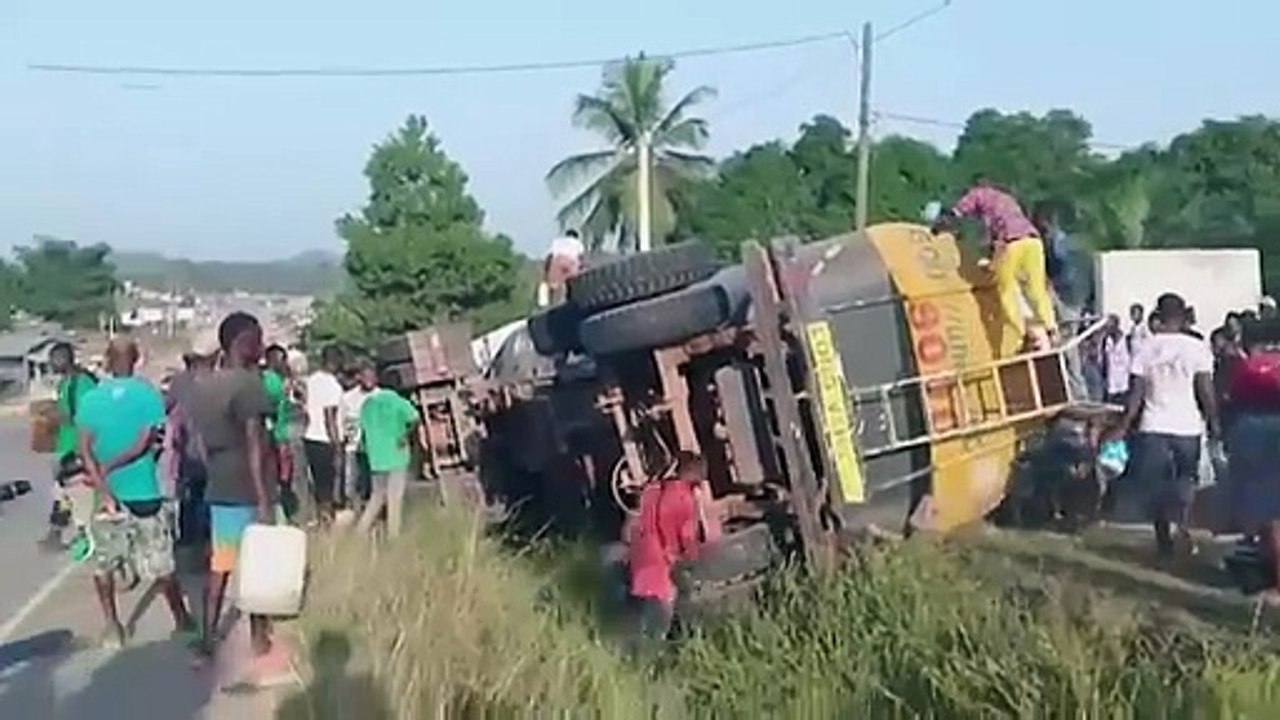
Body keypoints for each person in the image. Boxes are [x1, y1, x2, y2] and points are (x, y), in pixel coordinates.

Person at [187, 312, 289, 684]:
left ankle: (205, 642)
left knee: (220, 570)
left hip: (219, 487)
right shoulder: (249, 387)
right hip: (248, 487)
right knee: (258, 571)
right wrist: (263, 499)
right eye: (257, 339)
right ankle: (260, 641)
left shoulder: (205, 386)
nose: (261, 347)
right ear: (241, 341)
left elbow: (197, 445)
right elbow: (256, 446)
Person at [77, 337, 195, 649]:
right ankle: (181, 619)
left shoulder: (91, 398)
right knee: (160, 561)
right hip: (143, 491)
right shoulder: (147, 395)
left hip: (106, 497)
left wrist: (102, 484)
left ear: (106, 361)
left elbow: (84, 447)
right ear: (136, 359)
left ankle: (112, 627)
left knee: (104, 563)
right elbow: (146, 442)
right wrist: (114, 465)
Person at [1109, 293, 1220, 558]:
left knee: (1156, 484)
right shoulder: (1196, 347)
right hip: (1187, 426)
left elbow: (1136, 393)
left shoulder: (1145, 347)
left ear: (1158, 316)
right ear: (1183, 317)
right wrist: (1214, 421)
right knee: (1186, 479)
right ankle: (1181, 522)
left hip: (1153, 425)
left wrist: (1123, 425)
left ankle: (1163, 538)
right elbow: (1205, 389)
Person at [933, 179, 1057, 351]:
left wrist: (940, 225)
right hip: (1033, 242)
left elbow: (958, 213)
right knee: (1037, 288)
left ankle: (1020, 333)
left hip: (1011, 243)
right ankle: (1051, 326)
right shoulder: (1008, 200)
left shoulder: (978, 194)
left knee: (1006, 290)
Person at [624, 452, 712, 647]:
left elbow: (634, 525)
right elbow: (685, 536)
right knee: (659, 624)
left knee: (644, 620)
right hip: (660, 567)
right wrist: (689, 557)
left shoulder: (651, 490)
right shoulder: (683, 498)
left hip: (641, 562)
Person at [1225, 318, 1280, 602]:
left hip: (1254, 431)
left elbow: (1233, 401)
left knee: (1270, 514)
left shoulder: (1248, 367)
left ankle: (1275, 582)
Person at [40, 342, 99, 551]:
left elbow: (86, 416)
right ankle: (56, 533)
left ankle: (86, 538)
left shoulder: (80, 384)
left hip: (76, 448)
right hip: (64, 446)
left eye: (54, 359)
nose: (51, 363)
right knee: (61, 493)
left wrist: (58, 417)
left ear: (65, 358)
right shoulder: (66, 383)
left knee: (77, 496)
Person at [355, 370, 423, 538]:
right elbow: (415, 419)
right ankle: (394, 537)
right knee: (394, 498)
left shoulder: (367, 404)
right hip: (396, 455)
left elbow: (363, 430)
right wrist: (405, 436)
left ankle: (360, 531)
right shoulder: (398, 402)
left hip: (376, 457)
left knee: (376, 497)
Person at [303, 346, 345, 525]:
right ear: (335, 362)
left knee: (319, 484)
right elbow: (330, 418)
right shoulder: (332, 385)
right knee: (329, 484)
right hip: (325, 439)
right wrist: (337, 447)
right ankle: (328, 520)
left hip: (310, 436)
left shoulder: (311, 381)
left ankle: (321, 517)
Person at [262, 344, 297, 518]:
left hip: (280, 432)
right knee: (282, 479)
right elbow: (271, 408)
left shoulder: (274, 379)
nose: (285, 363)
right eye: (282, 359)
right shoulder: (272, 381)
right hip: (277, 435)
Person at [340, 363, 377, 515]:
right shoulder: (348, 398)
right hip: (354, 445)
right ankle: (355, 510)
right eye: (365, 376)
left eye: (372, 376)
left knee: (374, 482)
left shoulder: (381, 396)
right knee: (353, 481)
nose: (369, 380)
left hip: (375, 446)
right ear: (359, 378)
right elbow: (344, 420)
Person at [538, 229, 584, 308]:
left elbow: (550, 256)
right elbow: (581, 257)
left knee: (553, 285)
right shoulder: (578, 244)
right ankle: (567, 301)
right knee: (569, 282)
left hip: (558, 260)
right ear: (576, 237)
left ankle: (547, 304)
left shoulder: (557, 242)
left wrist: (546, 273)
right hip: (572, 262)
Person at [1101, 314, 1131, 405]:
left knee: (1123, 402)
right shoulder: (1107, 340)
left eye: (1109, 326)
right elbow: (1105, 357)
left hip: (1124, 377)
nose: (1107, 329)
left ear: (1116, 326)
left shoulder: (1126, 340)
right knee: (1109, 403)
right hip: (1111, 376)